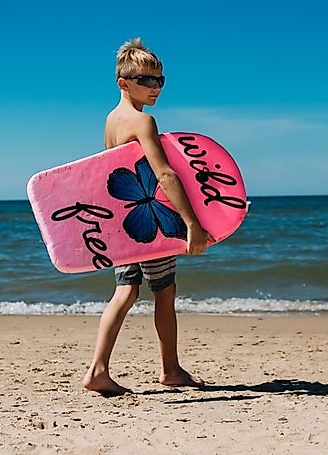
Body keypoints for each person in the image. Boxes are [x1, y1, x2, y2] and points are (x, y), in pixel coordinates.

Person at [82, 37, 212, 396]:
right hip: (151, 222)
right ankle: (170, 370)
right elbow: (165, 175)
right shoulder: (143, 121)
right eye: (146, 80)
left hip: (126, 221)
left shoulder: (110, 121)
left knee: (125, 290)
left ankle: (98, 369)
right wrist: (191, 224)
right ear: (123, 82)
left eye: (160, 80)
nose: (155, 88)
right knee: (165, 292)